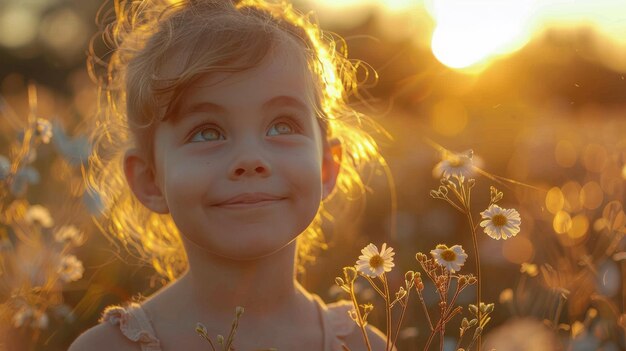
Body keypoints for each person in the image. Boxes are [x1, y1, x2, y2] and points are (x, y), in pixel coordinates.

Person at [70, 0, 390, 349]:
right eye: (207, 132)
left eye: (282, 125)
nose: (250, 159)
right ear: (150, 180)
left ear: (327, 166)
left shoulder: (363, 344)